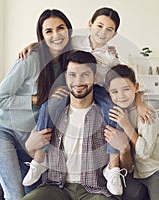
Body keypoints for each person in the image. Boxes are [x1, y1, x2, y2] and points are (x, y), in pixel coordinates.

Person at [21, 8, 154, 194]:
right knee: (48, 104)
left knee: (113, 109)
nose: (102, 32)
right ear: (90, 24)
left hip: (97, 90)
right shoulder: (75, 41)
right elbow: (54, 43)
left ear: (114, 34)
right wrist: (35, 45)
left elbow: (127, 82)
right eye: (99, 25)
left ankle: (113, 168)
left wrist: (139, 103)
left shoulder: (112, 56)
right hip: (73, 86)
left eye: (109, 29)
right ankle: (39, 160)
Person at [0, 9, 73, 200]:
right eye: (48, 31)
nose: (56, 35)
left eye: (60, 28)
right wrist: (37, 99)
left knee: (32, 194)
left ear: (69, 30)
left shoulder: (70, 61)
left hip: (29, 138)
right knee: (15, 195)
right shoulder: (31, 59)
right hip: (3, 131)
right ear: (42, 35)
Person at [23, 50, 129, 200]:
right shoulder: (53, 112)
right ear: (66, 77)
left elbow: (129, 166)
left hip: (95, 191)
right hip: (57, 187)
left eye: (85, 75)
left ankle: (113, 173)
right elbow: (36, 144)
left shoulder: (107, 113)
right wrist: (30, 148)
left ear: (95, 77)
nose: (78, 82)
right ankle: (37, 165)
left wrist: (124, 149)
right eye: (72, 75)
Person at [104, 64, 159, 200]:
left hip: (158, 169)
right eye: (115, 92)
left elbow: (144, 153)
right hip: (136, 172)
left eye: (126, 89)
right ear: (109, 92)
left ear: (135, 88)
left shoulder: (147, 114)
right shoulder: (116, 110)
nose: (121, 96)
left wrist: (126, 125)